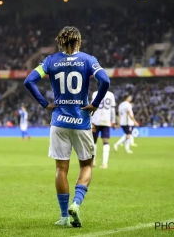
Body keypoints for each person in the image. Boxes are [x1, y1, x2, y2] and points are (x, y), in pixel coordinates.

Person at [24, 26, 110, 227]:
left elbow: (29, 81)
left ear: (60, 42)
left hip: (59, 121)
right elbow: (105, 80)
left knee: (61, 169)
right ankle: (76, 204)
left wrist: (45, 104)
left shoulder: (50, 61)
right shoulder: (89, 60)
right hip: (81, 120)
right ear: (79, 42)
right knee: (87, 165)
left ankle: (64, 216)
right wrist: (95, 104)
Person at [91, 86, 116, 169]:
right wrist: (113, 121)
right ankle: (105, 163)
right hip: (106, 120)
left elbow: (92, 107)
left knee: (94, 141)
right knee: (105, 140)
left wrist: (90, 120)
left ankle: (93, 161)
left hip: (95, 120)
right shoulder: (111, 95)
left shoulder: (95, 94)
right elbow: (112, 109)